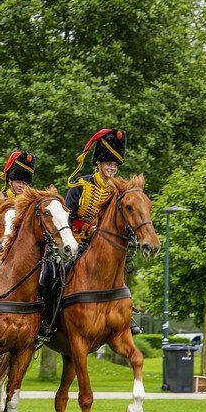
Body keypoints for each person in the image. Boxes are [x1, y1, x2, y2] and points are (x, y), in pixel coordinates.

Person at [64, 129, 140, 335]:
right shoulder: (81, 186)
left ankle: (126, 315)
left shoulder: (119, 191)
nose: (112, 168)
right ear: (98, 163)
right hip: (77, 241)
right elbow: (66, 217)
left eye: (115, 165)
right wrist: (87, 230)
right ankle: (48, 310)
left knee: (117, 272)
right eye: (108, 164)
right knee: (58, 270)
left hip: (105, 245)